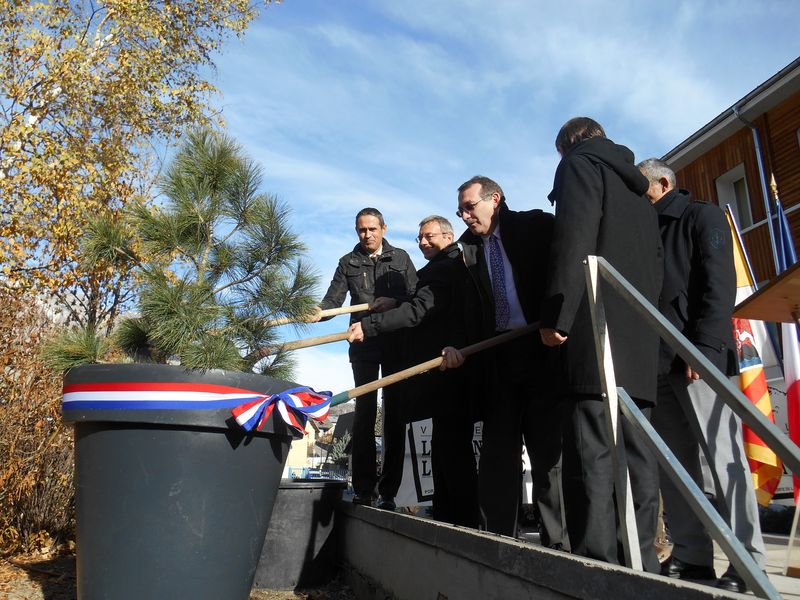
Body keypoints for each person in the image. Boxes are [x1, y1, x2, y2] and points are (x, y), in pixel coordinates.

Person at [638, 158, 766, 593]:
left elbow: (717, 283)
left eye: (642, 187)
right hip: (657, 362)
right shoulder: (642, 230)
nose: (636, 196)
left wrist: (705, 348)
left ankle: (748, 562)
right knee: (675, 469)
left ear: (663, 182)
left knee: (722, 461)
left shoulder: (701, 215)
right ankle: (692, 557)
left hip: (696, 358)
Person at [540, 117, 663, 572]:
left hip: (596, 331)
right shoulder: (638, 189)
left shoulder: (579, 167)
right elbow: (655, 262)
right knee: (637, 453)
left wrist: (557, 316)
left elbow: (575, 240)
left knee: (591, 451)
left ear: (567, 145)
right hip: (639, 335)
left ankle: (598, 565)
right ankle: (641, 560)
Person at [452, 175, 568, 548]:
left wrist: (559, 319)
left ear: (495, 199)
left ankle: (558, 543)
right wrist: (456, 346)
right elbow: (463, 309)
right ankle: (499, 539)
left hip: (541, 349)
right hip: (498, 359)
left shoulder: (535, 226)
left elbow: (567, 266)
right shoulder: (467, 250)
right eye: (460, 211)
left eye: (470, 207)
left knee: (547, 450)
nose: (465, 216)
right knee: (498, 454)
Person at [348, 215, 479, 527]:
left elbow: (419, 310)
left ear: (448, 236)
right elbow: (418, 299)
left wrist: (370, 325)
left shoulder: (446, 267)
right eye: (419, 237)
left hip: (450, 365)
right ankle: (447, 514)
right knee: (442, 442)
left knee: (451, 444)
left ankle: (461, 518)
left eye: (429, 236)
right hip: (440, 366)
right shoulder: (441, 267)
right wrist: (396, 301)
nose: (422, 242)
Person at [314, 208, 417, 508]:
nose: (368, 235)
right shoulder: (348, 262)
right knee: (365, 411)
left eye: (373, 229)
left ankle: (389, 492)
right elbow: (332, 301)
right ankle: (363, 488)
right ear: (356, 231)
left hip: (397, 342)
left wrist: (396, 301)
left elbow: (416, 295)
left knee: (395, 412)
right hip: (362, 344)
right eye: (362, 230)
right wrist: (317, 312)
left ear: (384, 228)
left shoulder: (400, 259)